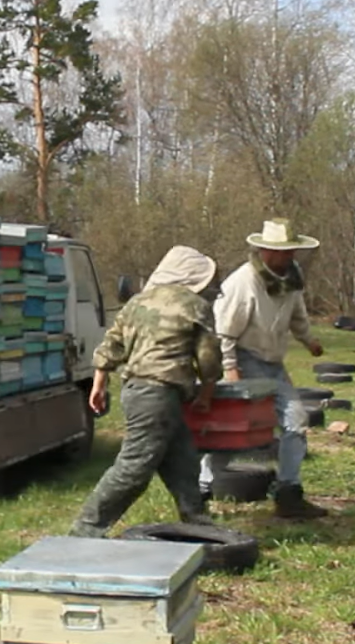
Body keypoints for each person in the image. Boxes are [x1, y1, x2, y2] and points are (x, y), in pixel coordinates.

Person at [69, 245, 224, 538]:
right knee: (135, 466)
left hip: (137, 391)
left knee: (182, 459)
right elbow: (208, 357)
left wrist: (99, 384)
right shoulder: (195, 305)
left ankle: (196, 520)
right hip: (160, 393)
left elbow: (111, 345)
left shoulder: (137, 302)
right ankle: (85, 530)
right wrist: (207, 394)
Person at [202, 218, 329, 520]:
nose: (288, 257)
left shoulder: (292, 277)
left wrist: (308, 339)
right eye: (282, 252)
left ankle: (289, 494)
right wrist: (232, 374)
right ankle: (200, 491)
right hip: (243, 359)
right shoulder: (242, 283)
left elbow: (296, 314)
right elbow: (223, 334)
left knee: (296, 421)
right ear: (263, 250)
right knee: (234, 431)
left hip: (273, 363)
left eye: (291, 251)